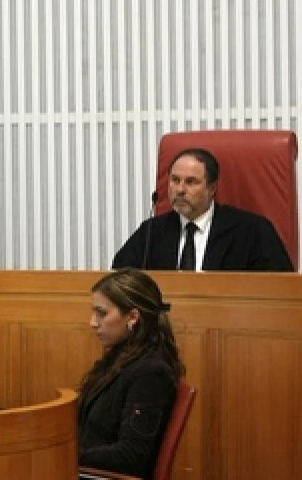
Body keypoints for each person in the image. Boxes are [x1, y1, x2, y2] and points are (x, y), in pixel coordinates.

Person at [112, 147, 293, 271]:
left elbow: (280, 289)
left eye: (191, 182)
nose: (180, 189)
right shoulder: (151, 232)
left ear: (212, 188)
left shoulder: (253, 231)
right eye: (175, 180)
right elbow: (118, 282)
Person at [79, 268, 185, 478]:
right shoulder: (119, 359)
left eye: (102, 313)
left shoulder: (151, 374)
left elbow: (130, 457)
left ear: (133, 317)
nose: (93, 322)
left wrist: (65, 455)